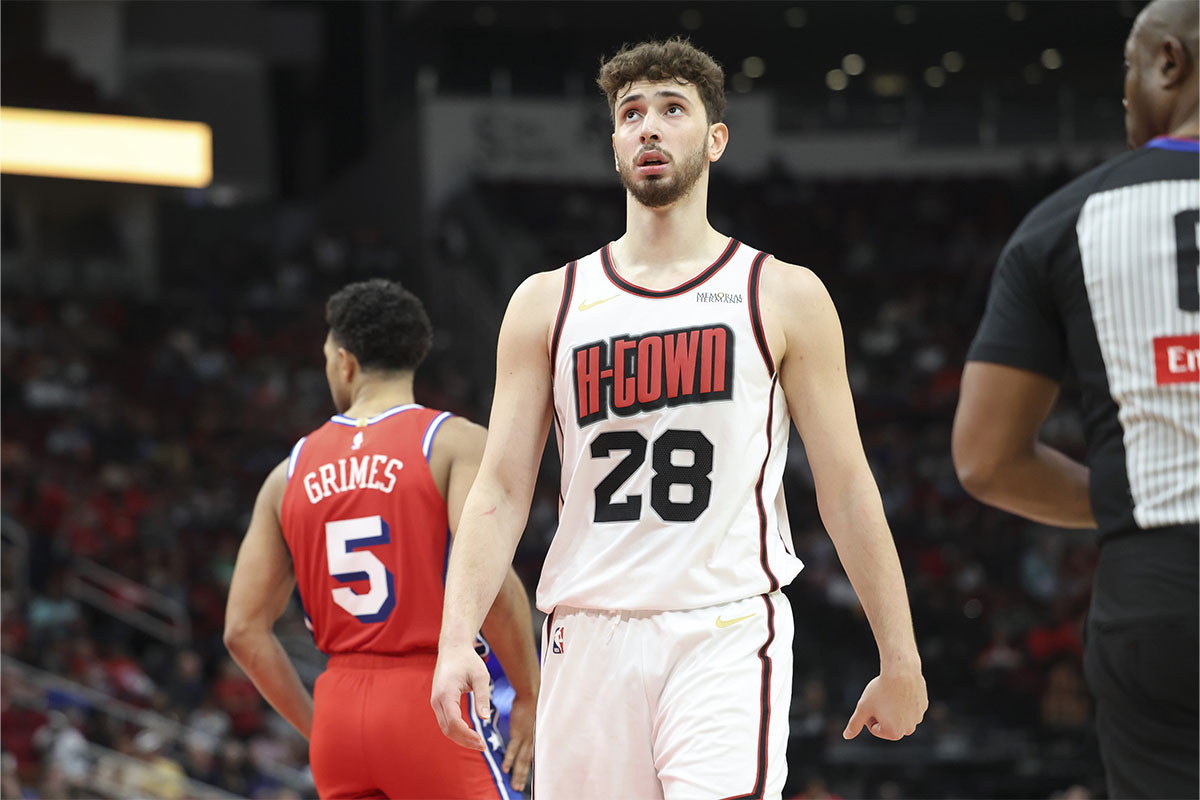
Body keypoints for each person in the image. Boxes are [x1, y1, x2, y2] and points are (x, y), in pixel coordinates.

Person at [431, 38, 927, 799]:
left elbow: (847, 486)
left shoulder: (781, 294)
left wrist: (901, 657)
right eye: (631, 113)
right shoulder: (545, 302)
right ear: (613, 144)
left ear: (715, 138)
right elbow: (498, 488)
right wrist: (456, 635)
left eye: (672, 109)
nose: (650, 128)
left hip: (722, 629)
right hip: (586, 631)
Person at [952, 2, 1199, 797]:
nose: (1124, 96)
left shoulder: (1065, 222)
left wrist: (1133, 501)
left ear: (1169, 61)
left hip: (1160, 581)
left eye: (1127, 71)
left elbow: (986, 460)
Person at [224, 279, 540, 799]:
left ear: (344, 363)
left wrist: (322, 726)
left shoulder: (287, 473)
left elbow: (242, 631)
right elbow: (496, 587)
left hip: (340, 707)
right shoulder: (452, 443)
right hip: (431, 695)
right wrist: (528, 694)